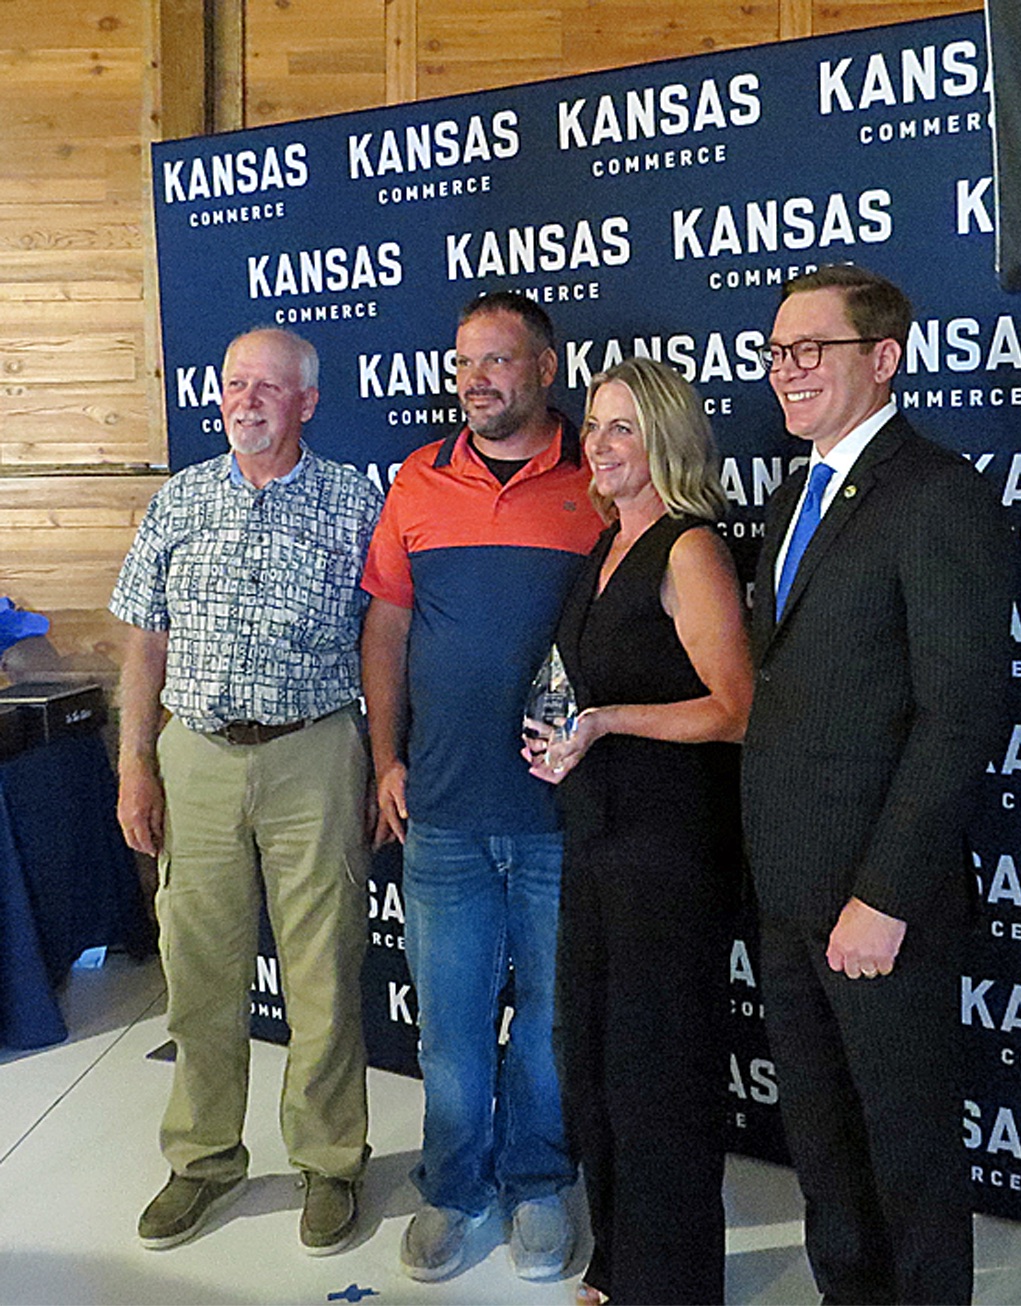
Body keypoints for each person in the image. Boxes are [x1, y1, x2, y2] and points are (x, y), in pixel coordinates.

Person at [741, 265, 1012, 1305]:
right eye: (775, 352)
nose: (785, 371)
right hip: (785, 896)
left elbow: (961, 713)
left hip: (874, 904)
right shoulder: (791, 494)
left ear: (882, 358)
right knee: (822, 1153)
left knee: (904, 1158)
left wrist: (885, 895)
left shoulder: (934, 495)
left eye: (810, 349)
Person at [111, 327, 382, 1256]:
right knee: (197, 971)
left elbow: (386, 638)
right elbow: (144, 641)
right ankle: (202, 1159)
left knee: (324, 972)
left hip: (315, 751)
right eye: (235, 384)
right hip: (196, 755)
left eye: (270, 386)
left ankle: (331, 1161)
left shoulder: (355, 500)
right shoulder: (180, 498)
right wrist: (134, 763)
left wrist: (384, 756)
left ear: (308, 401)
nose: (247, 400)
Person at [360, 291, 600, 1282]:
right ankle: (455, 1188)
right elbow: (385, 627)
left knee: (548, 1020)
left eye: (499, 361)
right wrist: (384, 759)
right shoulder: (418, 479)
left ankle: (539, 1180)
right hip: (445, 813)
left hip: (557, 814)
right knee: (452, 1030)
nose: (476, 380)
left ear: (546, 369)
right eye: (464, 362)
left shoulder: (601, 477)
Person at [526, 356, 753, 1306]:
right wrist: (565, 739)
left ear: (666, 437)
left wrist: (609, 723)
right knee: (601, 1069)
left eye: (623, 426)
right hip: (599, 840)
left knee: (659, 1076)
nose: (600, 443)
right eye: (594, 425)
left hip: (669, 850)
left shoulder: (688, 548)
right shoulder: (605, 543)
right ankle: (618, 1267)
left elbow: (734, 710)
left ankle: (673, 1285)